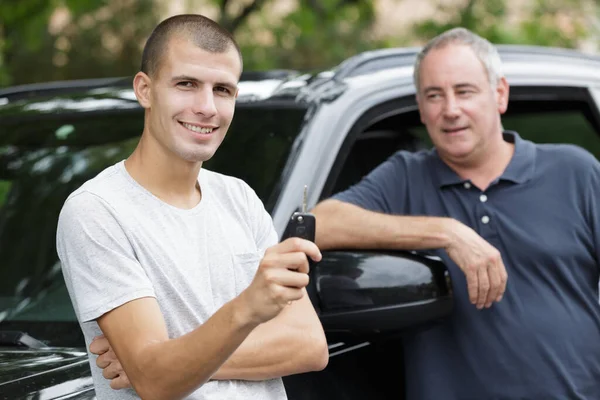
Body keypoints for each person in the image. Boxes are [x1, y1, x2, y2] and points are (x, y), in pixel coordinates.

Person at [312, 27, 600, 399]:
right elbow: (317, 224)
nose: (450, 110)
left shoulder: (574, 172)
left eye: (464, 91)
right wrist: (447, 232)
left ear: (499, 94)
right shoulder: (405, 177)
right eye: (434, 95)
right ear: (421, 106)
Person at [56, 14, 328, 400]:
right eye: (186, 84)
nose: (207, 107)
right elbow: (156, 381)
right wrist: (246, 310)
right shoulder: (97, 210)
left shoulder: (240, 198)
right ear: (145, 90)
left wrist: (170, 357)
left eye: (223, 90)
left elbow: (310, 346)